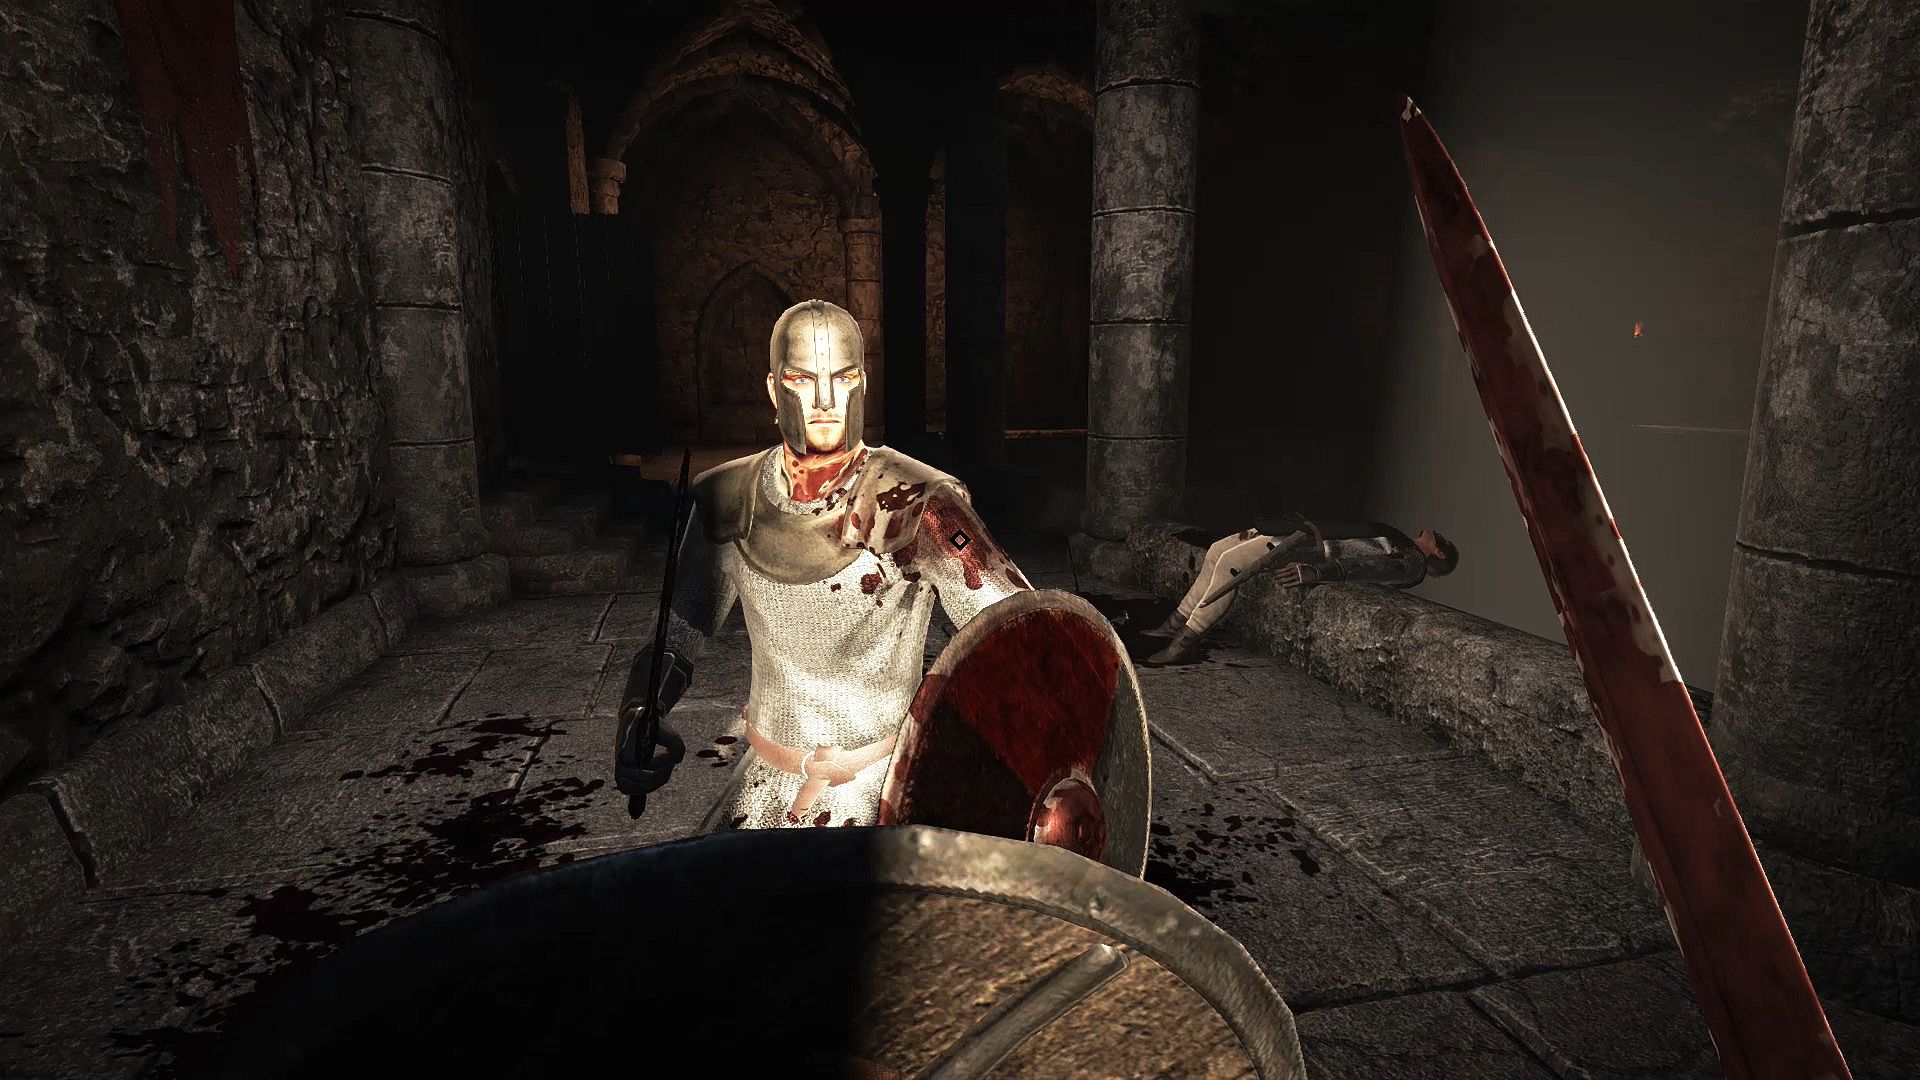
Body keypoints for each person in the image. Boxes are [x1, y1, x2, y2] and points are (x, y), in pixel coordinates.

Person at [614, 299, 1033, 829]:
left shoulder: (919, 499)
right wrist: (641, 707)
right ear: (774, 389)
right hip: (763, 787)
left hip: (883, 790)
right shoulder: (727, 495)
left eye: (844, 378)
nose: (826, 401)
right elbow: (677, 637)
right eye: (802, 380)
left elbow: (1024, 634)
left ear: (863, 384)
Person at [1140, 514, 1458, 665]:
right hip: (1303, 534)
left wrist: (1316, 571)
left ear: (1438, 554)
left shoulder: (1412, 561)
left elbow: (1366, 566)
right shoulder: (1402, 543)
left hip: (1308, 549)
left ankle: (1183, 642)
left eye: (1439, 540)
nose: (1434, 533)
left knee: (1230, 564)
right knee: (1216, 551)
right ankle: (1175, 623)